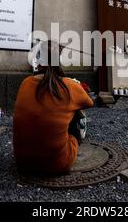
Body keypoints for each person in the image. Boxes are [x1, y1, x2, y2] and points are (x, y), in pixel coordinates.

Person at [13, 41, 94, 175]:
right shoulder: (68, 86)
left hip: (23, 162)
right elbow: (89, 103)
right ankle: (71, 143)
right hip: (57, 164)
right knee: (75, 111)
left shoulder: (26, 83)